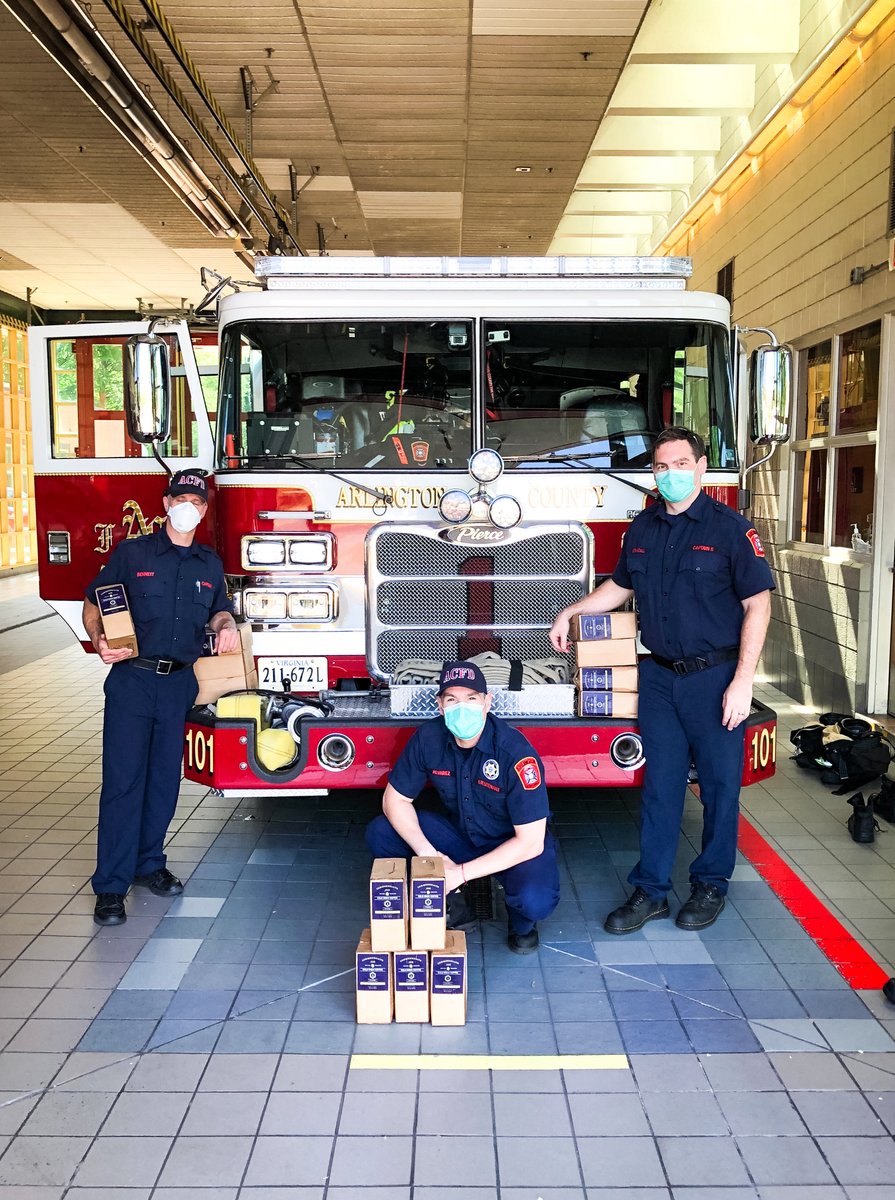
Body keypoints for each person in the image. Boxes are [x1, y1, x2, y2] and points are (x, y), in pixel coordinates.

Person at [550, 426, 774, 933]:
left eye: (679, 464)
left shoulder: (730, 530)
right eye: (660, 466)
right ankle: (650, 890)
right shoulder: (644, 528)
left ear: (700, 467)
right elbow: (617, 587)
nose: (669, 474)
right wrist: (571, 612)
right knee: (660, 789)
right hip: (658, 678)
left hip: (716, 678)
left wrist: (743, 682)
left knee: (718, 788)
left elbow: (758, 606)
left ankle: (710, 884)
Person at [83, 469, 239, 926]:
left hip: (178, 684)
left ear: (205, 510)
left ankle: (148, 863)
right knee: (123, 783)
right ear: (167, 504)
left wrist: (226, 625)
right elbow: (95, 602)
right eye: (181, 498)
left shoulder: (209, 564)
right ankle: (111, 886)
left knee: (163, 781)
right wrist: (97, 639)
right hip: (133, 681)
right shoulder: (133, 554)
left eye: (198, 500)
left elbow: (219, 613)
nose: (189, 505)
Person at [365, 660, 560, 953]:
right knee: (381, 832)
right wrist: (431, 858)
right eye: (452, 700)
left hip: (513, 846)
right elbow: (395, 800)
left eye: (472, 699)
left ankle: (520, 922)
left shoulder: (515, 752)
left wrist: (462, 872)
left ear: (487, 702)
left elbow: (530, 842)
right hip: (462, 838)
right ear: (440, 706)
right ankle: (455, 901)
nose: (462, 708)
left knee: (535, 900)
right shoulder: (429, 738)